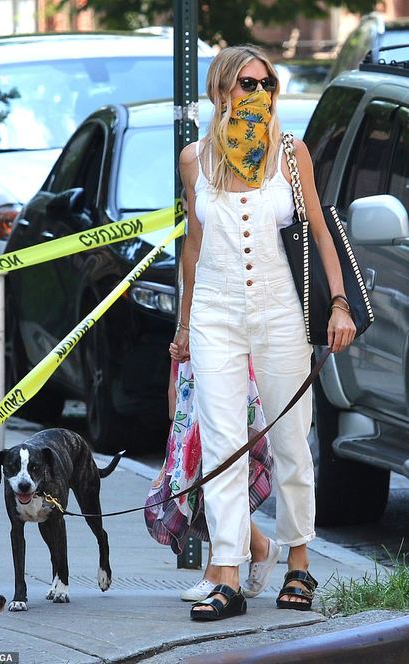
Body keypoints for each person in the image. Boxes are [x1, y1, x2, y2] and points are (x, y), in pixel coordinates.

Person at [170, 44, 356, 622]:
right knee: (221, 443)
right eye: (244, 84)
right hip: (216, 315)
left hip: (280, 310)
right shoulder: (195, 158)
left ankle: (299, 560)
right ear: (220, 90)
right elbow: (193, 249)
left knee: (291, 444)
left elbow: (322, 232)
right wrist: (182, 323)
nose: (257, 95)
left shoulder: (289, 150)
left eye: (265, 84)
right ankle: (226, 572)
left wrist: (340, 306)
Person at [144, 354, 280, 603]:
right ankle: (258, 546)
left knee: (217, 460)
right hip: (197, 350)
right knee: (199, 468)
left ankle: (219, 571)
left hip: (231, 349)